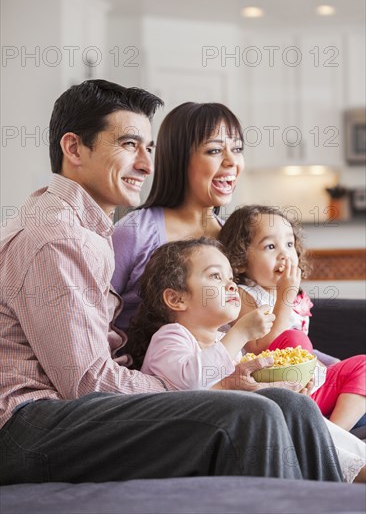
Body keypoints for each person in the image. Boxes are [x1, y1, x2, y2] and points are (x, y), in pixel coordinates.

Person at [0, 80, 343, 484]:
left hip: (66, 411)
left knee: (290, 404)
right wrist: (203, 389)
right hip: (30, 425)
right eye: (129, 145)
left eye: (149, 149)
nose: (146, 164)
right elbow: (86, 383)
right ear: (74, 148)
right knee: (251, 415)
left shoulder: (82, 230)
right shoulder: (56, 238)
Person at [127, 237, 365, 483]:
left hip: (242, 427)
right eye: (215, 277)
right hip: (194, 440)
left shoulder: (226, 342)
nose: (231, 285)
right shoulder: (171, 337)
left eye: (231, 278)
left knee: (301, 414)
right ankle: (355, 472)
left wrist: (287, 388)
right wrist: (239, 333)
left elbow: (244, 393)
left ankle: (359, 462)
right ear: (177, 299)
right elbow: (191, 383)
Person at [218, 205, 366, 432]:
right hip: (273, 388)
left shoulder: (293, 297)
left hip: (311, 387)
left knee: (363, 365)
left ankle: (334, 433)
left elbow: (308, 355)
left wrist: (331, 365)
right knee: (294, 338)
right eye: (270, 246)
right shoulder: (242, 294)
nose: (284, 254)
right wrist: (285, 295)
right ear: (239, 260)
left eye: (289, 244)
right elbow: (261, 347)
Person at [111, 101, 245, 333]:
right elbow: (92, 320)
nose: (232, 161)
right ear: (179, 159)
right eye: (214, 150)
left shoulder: (237, 238)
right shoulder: (134, 232)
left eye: (237, 149)